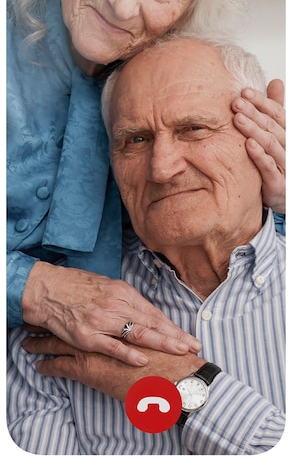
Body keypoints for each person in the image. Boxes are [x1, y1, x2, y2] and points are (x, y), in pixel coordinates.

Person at [7, 0, 285, 367]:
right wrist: (38, 287)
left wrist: (274, 198)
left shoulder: (156, 83)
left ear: (188, 9)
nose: (125, 3)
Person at [7, 35, 285, 454]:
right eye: (135, 140)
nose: (162, 168)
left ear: (262, 136)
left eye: (193, 129)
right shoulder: (66, 317)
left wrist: (188, 387)